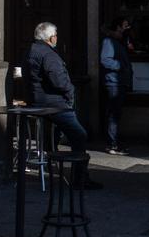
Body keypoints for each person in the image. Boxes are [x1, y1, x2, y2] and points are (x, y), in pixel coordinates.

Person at [23, 22, 102, 189]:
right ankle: (79, 179)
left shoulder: (31, 50)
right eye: (56, 35)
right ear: (51, 37)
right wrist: (70, 91)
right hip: (54, 104)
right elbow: (59, 80)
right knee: (79, 135)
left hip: (38, 102)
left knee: (54, 136)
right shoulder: (48, 54)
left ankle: (54, 165)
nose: (57, 38)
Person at [100, 17, 133, 155]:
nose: (126, 29)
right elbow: (105, 60)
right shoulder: (109, 41)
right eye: (124, 26)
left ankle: (113, 142)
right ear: (118, 27)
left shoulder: (119, 42)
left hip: (119, 82)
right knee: (113, 114)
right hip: (113, 83)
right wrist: (122, 66)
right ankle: (112, 144)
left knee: (115, 114)